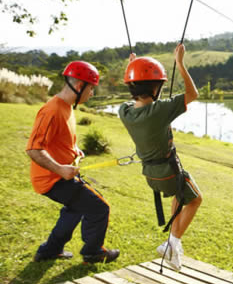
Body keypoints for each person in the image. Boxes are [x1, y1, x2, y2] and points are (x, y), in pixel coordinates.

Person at [26, 61, 119, 264]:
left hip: (59, 176)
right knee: (99, 207)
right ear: (79, 86)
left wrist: (74, 151)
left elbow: (59, 141)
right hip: (53, 179)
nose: (92, 93)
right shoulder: (51, 110)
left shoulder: (66, 107)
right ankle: (93, 252)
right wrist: (60, 169)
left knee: (75, 209)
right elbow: (34, 149)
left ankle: (50, 250)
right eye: (91, 88)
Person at [119, 44, 202, 271]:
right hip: (169, 172)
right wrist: (180, 64)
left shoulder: (124, 112)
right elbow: (193, 94)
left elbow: (134, 99)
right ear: (155, 88)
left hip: (151, 175)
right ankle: (172, 243)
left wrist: (132, 70)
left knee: (179, 197)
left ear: (131, 85)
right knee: (195, 200)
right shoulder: (159, 110)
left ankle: (173, 250)